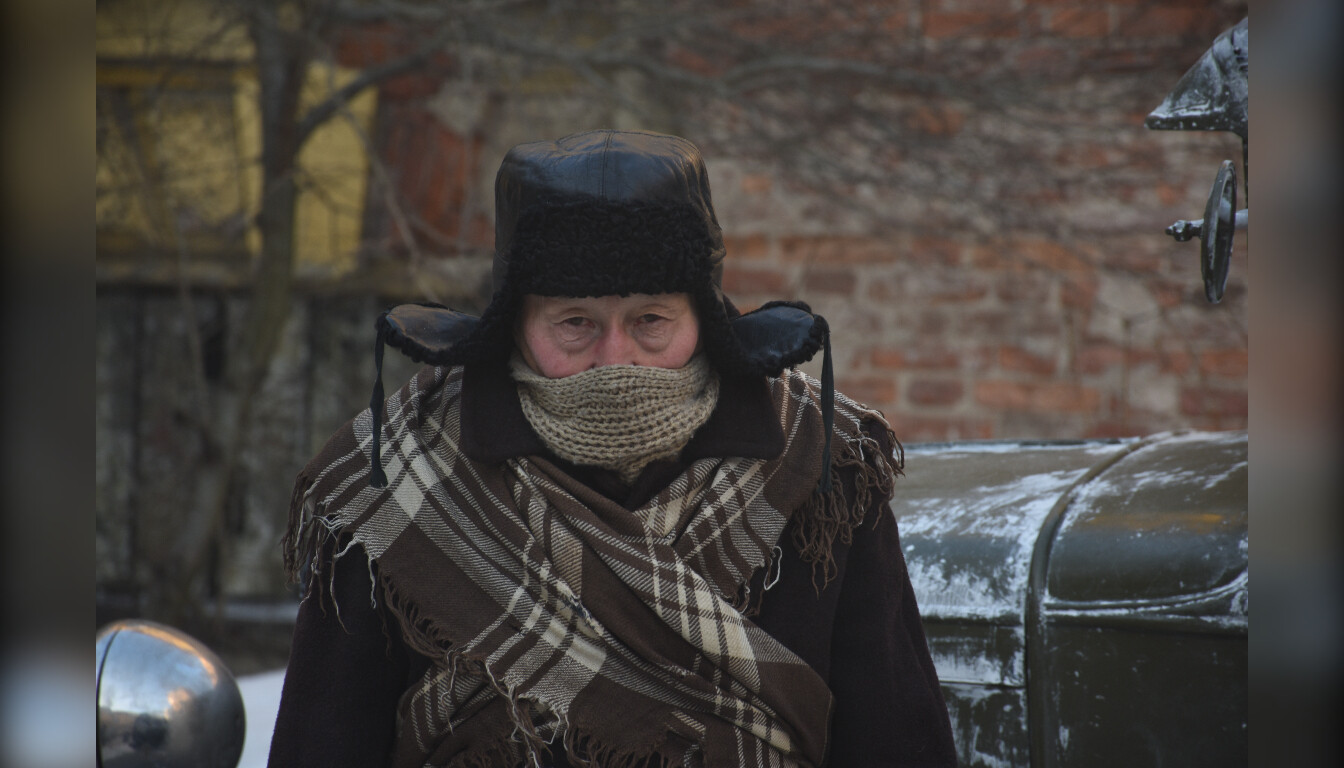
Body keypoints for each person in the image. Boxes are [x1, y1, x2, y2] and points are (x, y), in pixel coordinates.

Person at [268, 129, 956, 768]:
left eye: (651, 320)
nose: (615, 358)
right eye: (575, 323)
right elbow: (322, 742)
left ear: (703, 317)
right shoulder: (398, 472)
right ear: (515, 324)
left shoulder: (818, 462)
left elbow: (894, 735)